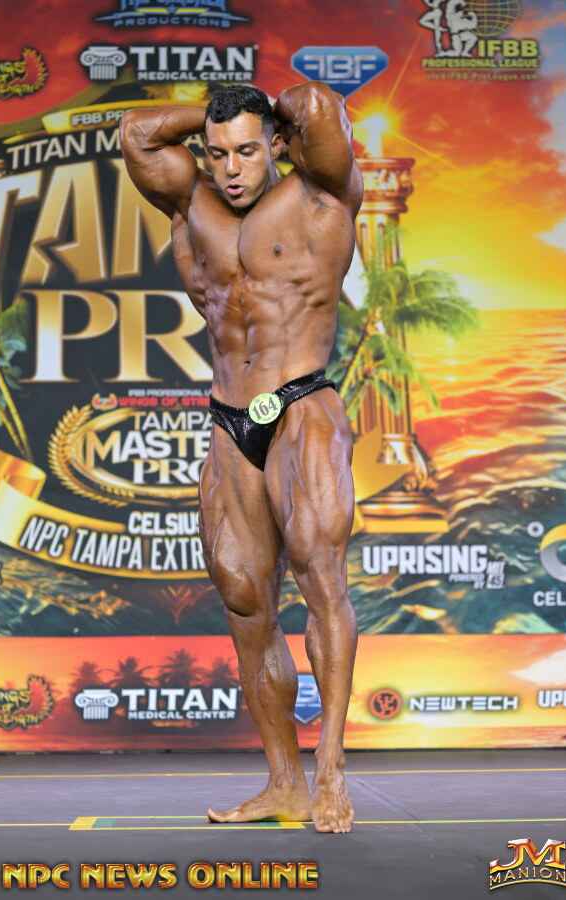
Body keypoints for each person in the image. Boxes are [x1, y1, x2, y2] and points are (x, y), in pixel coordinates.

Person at [120, 81, 362, 834]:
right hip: (230, 419)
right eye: (218, 152)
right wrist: (217, 111)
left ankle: (330, 772)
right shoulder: (189, 202)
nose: (231, 168)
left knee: (320, 579)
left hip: (300, 405)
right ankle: (284, 782)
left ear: (277, 144)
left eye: (248, 150)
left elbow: (318, 107)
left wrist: (264, 110)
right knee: (246, 602)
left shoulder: (321, 195)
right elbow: (137, 132)